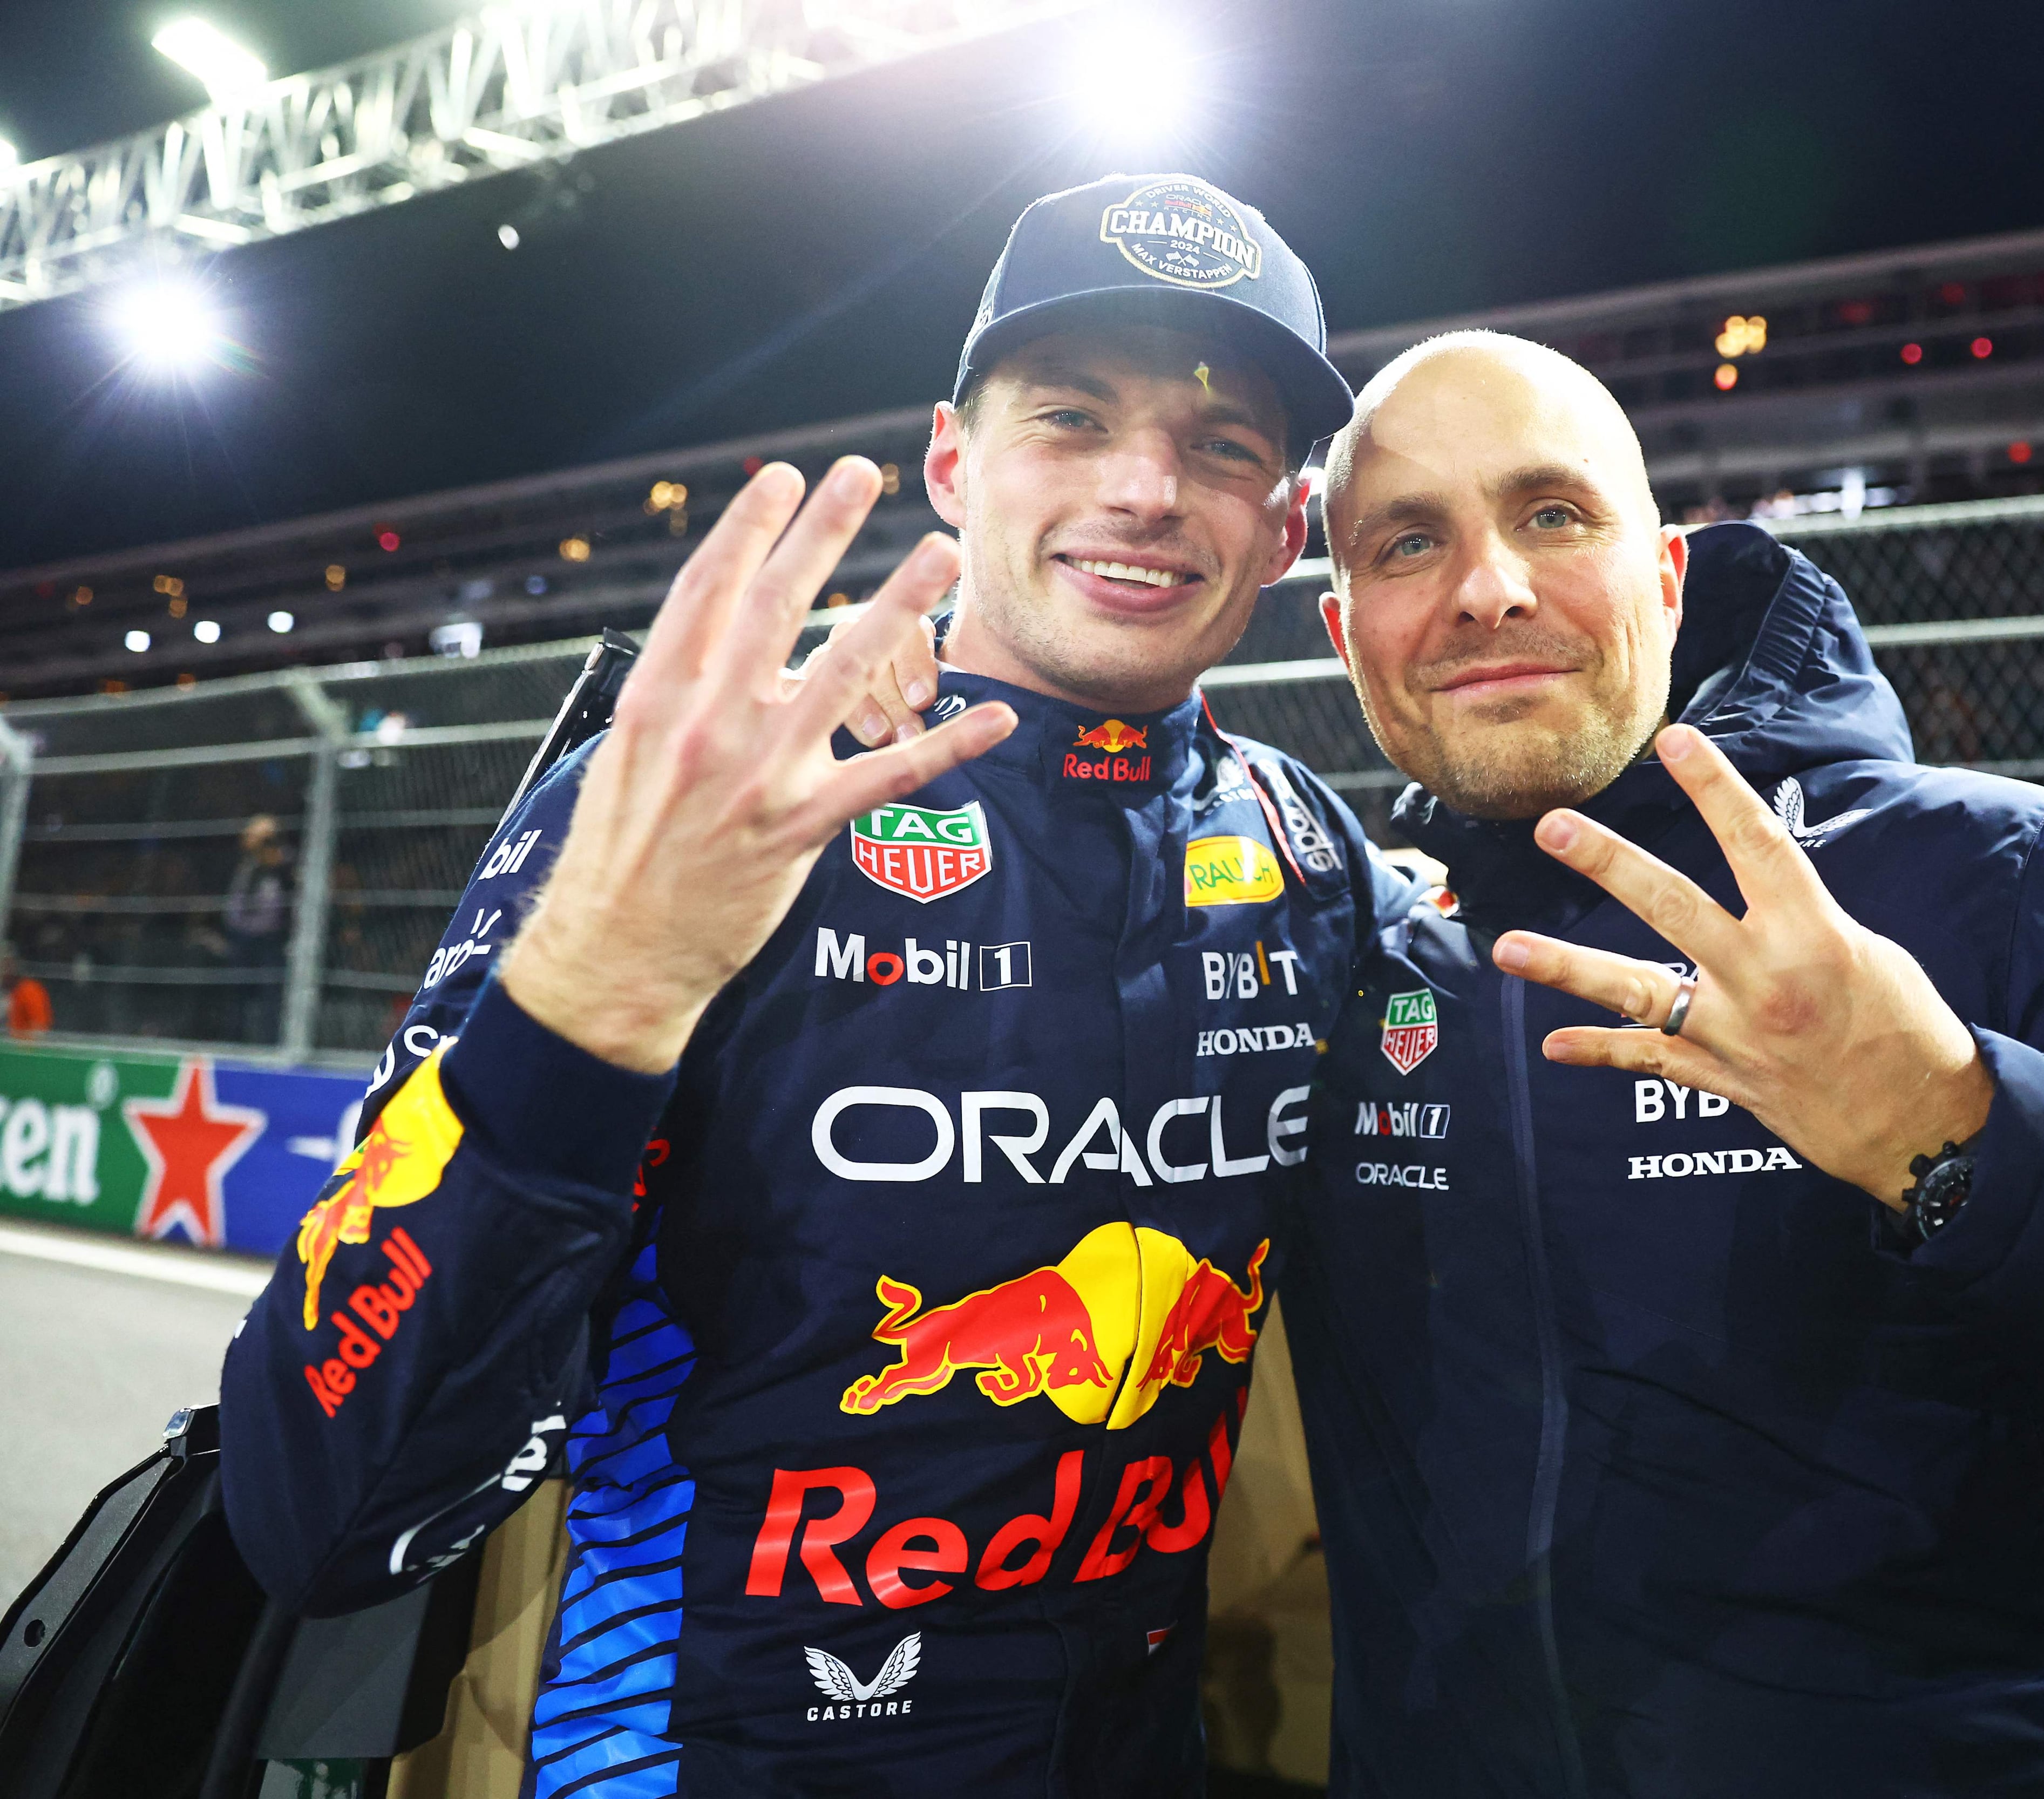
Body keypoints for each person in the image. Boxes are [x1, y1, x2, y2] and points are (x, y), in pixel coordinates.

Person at [220, 173, 1389, 1796]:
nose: (1146, 488)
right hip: (699, 1750)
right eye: (1069, 419)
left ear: (1283, 527)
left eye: (1223, 447)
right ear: (950, 463)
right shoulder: (719, 795)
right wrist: (591, 1000)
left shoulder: (1310, 856)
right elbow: (321, 1512)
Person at [1280, 331, 2044, 1797]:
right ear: (1345, 627)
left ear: (1669, 577)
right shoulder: (1349, 951)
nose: (1487, 586)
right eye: (1407, 540)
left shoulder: (1998, 874)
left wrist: (1956, 1127)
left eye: (1554, 514)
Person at [222, 813, 291, 1042]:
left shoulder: (283, 862)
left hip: (271, 939)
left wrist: (274, 858)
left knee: (270, 997)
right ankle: (233, 1040)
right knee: (235, 994)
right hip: (240, 936)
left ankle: (268, 1044)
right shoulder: (243, 863)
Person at [2, 942, 49, 1035]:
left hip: (20, 1047)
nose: (5, 969)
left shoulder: (30, 990)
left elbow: (39, 1029)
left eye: (8, 964)